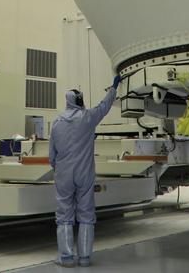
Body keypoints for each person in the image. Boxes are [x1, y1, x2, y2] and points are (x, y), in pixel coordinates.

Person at [49, 76, 121, 267]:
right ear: (80, 100)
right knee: (86, 213)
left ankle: (66, 258)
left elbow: (51, 155)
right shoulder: (88, 118)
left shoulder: (56, 122)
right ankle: (85, 257)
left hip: (63, 173)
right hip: (84, 173)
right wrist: (113, 88)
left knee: (64, 214)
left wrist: (59, 169)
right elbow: (104, 106)